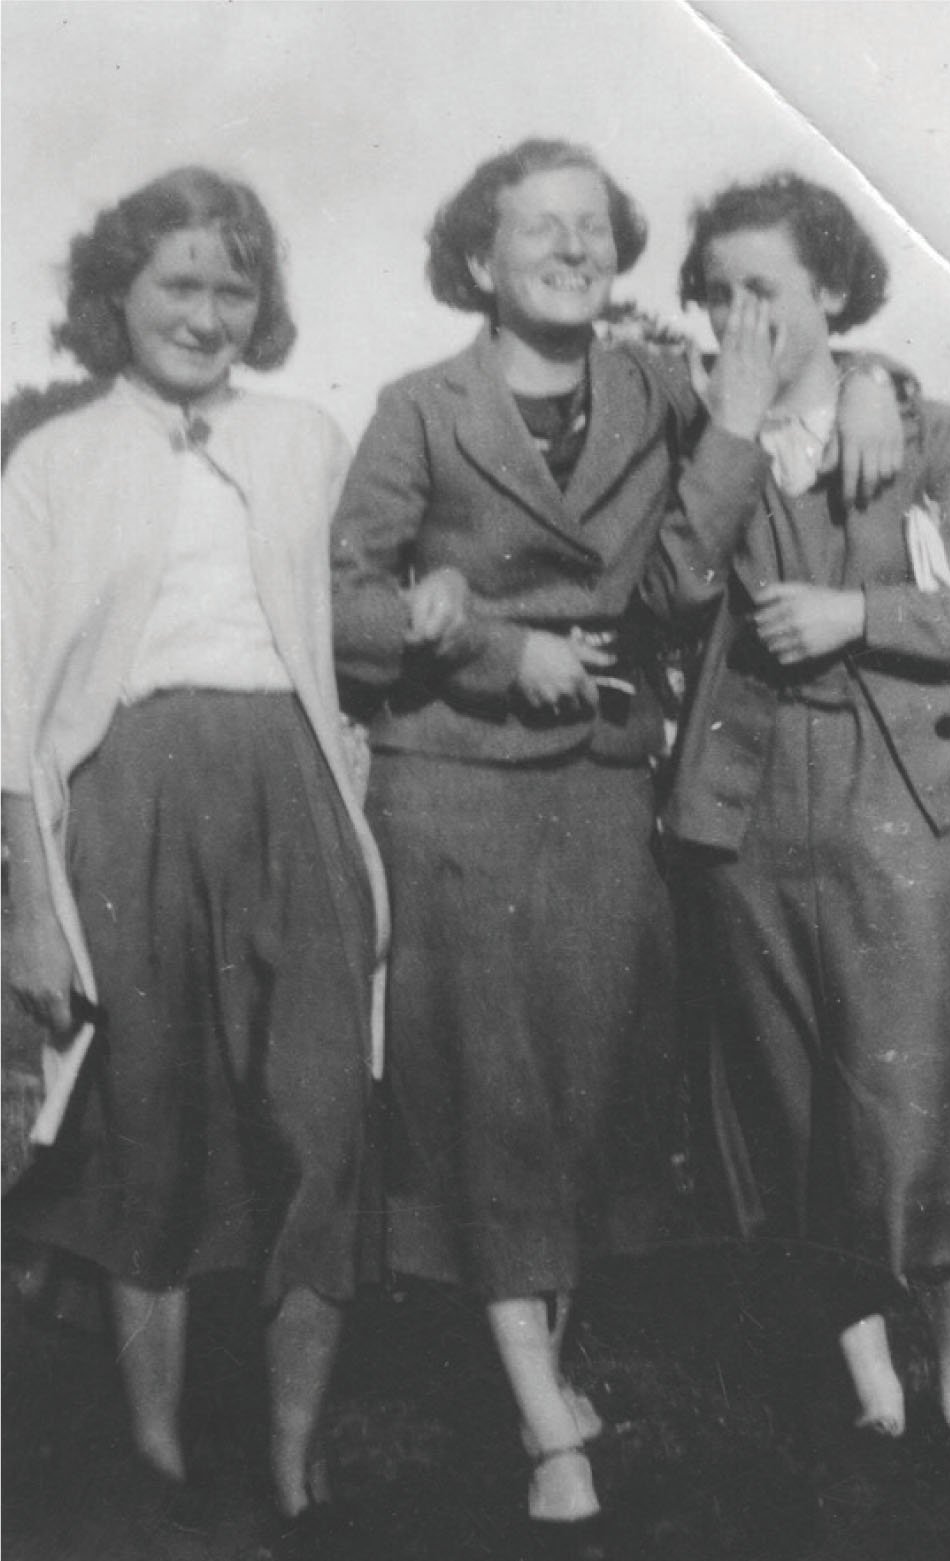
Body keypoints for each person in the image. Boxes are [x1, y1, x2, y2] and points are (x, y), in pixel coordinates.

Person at [330, 138, 905, 1549]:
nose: (574, 250)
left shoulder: (658, 386)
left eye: (595, 227)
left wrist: (860, 383)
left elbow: (684, 571)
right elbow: (346, 605)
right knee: (487, 1098)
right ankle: (541, 1418)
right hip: (454, 783)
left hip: (599, 790)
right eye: (541, 229)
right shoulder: (419, 408)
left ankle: (545, 1368)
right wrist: (480, 640)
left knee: (580, 1101)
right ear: (480, 258)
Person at [2, 167, 391, 1548]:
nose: (208, 312)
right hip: (128, 799)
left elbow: (367, 606)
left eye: (235, 287)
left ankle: (292, 1460)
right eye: (180, 282)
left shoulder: (301, 436)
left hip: (291, 786)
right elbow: (9, 700)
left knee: (319, 1123)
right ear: (119, 294)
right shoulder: (54, 461)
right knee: (147, 1130)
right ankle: (158, 1464)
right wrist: (31, 909)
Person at [645, 172, 950, 1441]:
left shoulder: (928, 435)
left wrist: (858, 614)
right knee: (783, 1094)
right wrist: (735, 431)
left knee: (933, 1090)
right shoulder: (694, 427)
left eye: (767, 288)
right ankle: (869, 1382)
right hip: (744, 809)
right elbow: (669, 591)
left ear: (830, 294)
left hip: (900, 790)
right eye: (718, 290)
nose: (737, 313)